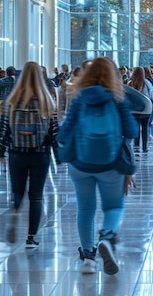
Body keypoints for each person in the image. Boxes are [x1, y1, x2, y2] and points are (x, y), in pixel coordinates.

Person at [58, 57, 138, 275]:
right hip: (110, 164)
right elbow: (132, 131)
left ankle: (88, 257)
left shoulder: (79, 98)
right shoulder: (117, 99)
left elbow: (63, 133)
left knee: (85, 208)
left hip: (80, 165)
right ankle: (106, 236)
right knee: (114, 207)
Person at [0, 61, 59, 249]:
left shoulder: (12, 101)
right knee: (36, 196)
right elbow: (55, 130)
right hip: (40, 153)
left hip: (17, 152)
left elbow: (4, 128)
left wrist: (0, 151)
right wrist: (59, 153)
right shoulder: (47, 100)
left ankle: (15, 212)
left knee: (18, 191)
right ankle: (31, 238)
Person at [128, 66, 153, 154]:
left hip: (134, 109)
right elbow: (152, 95)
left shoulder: (130, 83)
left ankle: (136, 145)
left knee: (136, 126)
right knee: (145, 127)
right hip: (146, 108)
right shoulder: (146, 83)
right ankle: (144, 147)